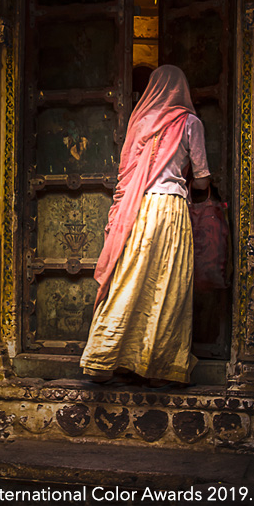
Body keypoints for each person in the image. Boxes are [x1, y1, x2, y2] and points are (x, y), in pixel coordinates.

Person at [80, 64, 210, 386]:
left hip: (138, 210)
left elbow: (126, 174)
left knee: (130, 282)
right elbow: (203, 176)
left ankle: (104, 356)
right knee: (166, 287)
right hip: (171, 211)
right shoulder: (190, 123)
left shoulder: (140, 123)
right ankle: (158, 366)